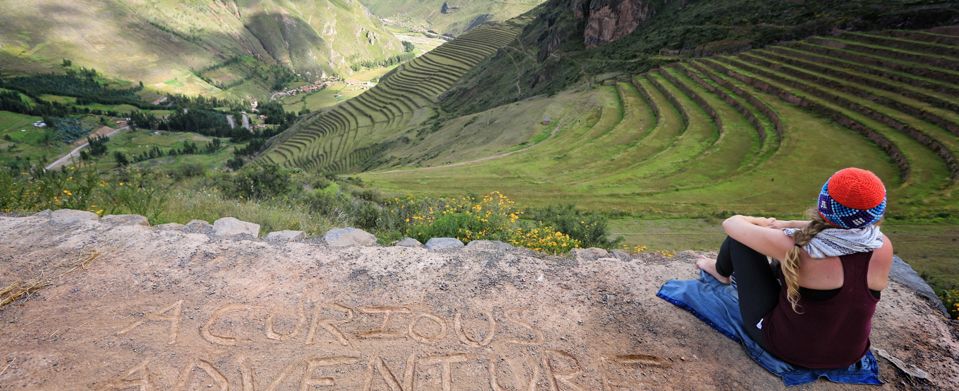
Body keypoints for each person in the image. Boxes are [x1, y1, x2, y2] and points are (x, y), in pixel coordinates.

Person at [695, 167, 893, 369]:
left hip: (787, 348)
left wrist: (763, 222)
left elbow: (732, 224)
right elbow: (840, 231)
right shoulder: (882, 245)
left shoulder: (802, 248)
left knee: (740, 242)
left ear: (824, 203)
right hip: (849, 353)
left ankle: (719, 273)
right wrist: (785, 224)